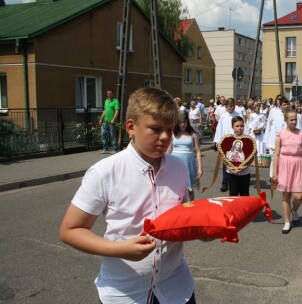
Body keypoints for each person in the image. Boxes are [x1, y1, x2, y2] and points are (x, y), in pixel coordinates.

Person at [59, 87, 197, 304]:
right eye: (156, 129)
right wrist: (120, 249)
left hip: (176, 289)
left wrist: (206, 229)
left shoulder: (179, 167)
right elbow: (70, 230)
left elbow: (186, 216)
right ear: (131, 127)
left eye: (170, 130)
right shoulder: (105, 172)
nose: (165, 138)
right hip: (125, 293)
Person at [272, 109, 302, 234]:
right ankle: (287, 222)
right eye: (291, 120)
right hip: (284, 165)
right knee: (286, 195)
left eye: (295, 119)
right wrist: (275, 172)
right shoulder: (280, 135)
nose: (294, 122)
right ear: (286, 120)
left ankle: (294, 210)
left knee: (298, 196)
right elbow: (276, 154)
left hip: (298, 165)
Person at [169, 111, 203, 201]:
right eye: (180, 123)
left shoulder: (193, 134)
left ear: (187, 122)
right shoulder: (173, 134)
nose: (183, 125)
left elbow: (198, 151)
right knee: (176, 188)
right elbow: (168, 151)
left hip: (189, 163)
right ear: (177, 123)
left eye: (184, 122)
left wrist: (200, 168)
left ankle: (191, 207)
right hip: (175, 164)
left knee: (190, 189)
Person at [214, 98, 243, 192]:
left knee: (236, 161)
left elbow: (243, 127)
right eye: (230, 106)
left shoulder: (238, 115)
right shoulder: (223, 116)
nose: (232, 108)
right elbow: (219, 129)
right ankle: (225, 183)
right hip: (226, 142)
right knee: (226, 163)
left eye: (233, 106)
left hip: (237, 141)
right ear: (226, 106)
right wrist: (217, 141)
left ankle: (234, 182)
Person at [223, 116, 253, 196]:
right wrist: (230, 167)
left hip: (245, 172)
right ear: (232, 126)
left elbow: (251, 157)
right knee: (233, 194)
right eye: (237, 126)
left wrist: (243, 167)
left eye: (241, 126)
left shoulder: (248, 141)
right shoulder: (228, 140)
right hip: (231, 172)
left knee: (244, 194)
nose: (239, 128)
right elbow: (224, 157)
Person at [98, 89, 120, 154]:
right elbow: (104, 111)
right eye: (108, 93)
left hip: (111, 122)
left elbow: (117, 111)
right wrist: (101, 119)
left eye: (110, 93)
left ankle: (115, 149)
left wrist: (113, 119)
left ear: (113, 94)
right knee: (103, 135)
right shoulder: (106, 101)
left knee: (113, 136)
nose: (109, 94)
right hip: (105, 122)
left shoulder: (116, 101)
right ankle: (105, 149)